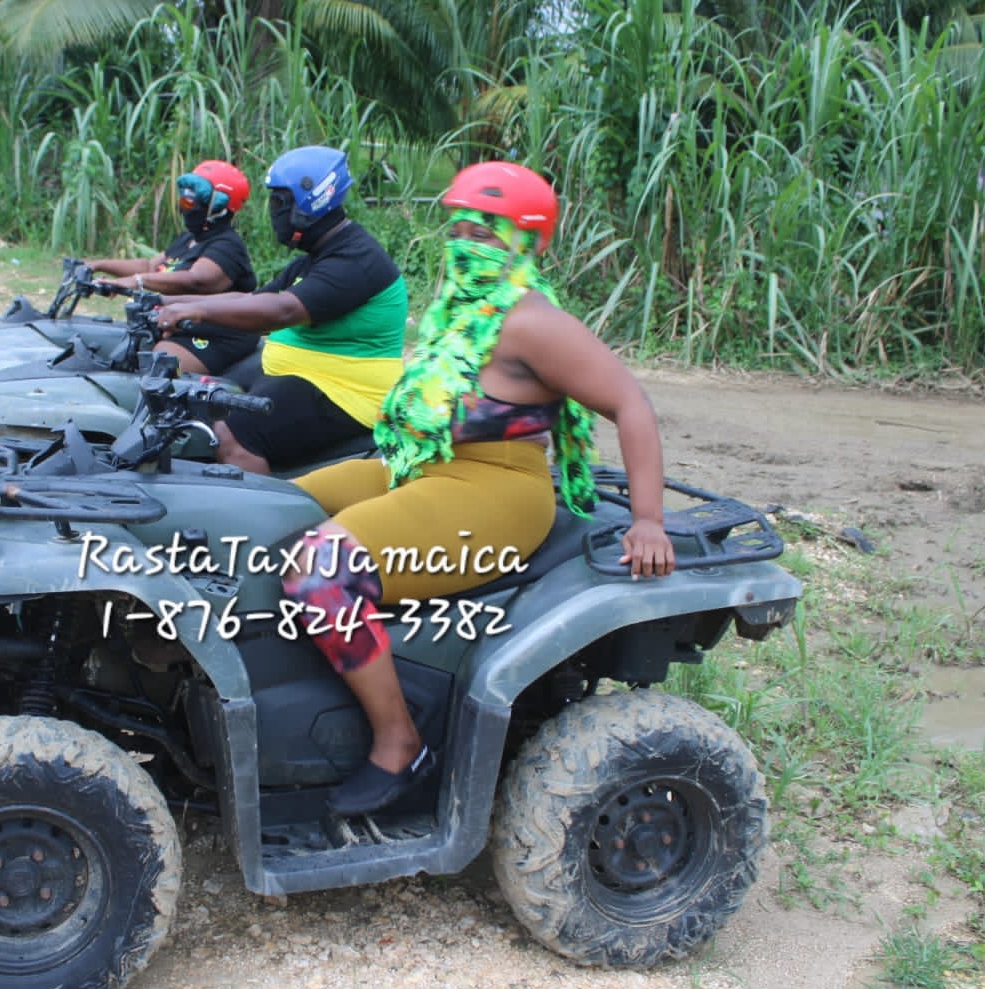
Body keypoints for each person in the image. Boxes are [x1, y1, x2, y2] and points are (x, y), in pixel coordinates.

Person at [280, 161, 678, 817]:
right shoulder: (461, 309)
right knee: (270, 505)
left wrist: (649, 521)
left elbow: (631, 403)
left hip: (497, 489)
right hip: (427, 466)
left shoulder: (531, 322)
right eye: (462, 224)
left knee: (322, 572)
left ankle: (399, 743)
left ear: (530, 242)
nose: (470, 238)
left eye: (491, 230)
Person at [153, 146, 407, 474]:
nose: (273, 211)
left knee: (233, 433)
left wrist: (198, 311)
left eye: (278, 202)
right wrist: (171, 304)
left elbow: (282, 310)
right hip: (310, 376)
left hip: (348, 392)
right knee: (208, 394)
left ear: (310, 201)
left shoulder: (356, 259)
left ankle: (260, 517)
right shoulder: (319, 254)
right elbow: (251, 298)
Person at [84, 160, 260, 376]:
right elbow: (151, 265)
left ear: (218, 206)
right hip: (176, 323)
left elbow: (198, 280)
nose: (185, 206)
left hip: (217, 335)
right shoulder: (190, 238)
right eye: (185, 200)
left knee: (159, 362)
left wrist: (139, 281)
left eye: (192, 201)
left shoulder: (227, 245)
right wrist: (98, 266)